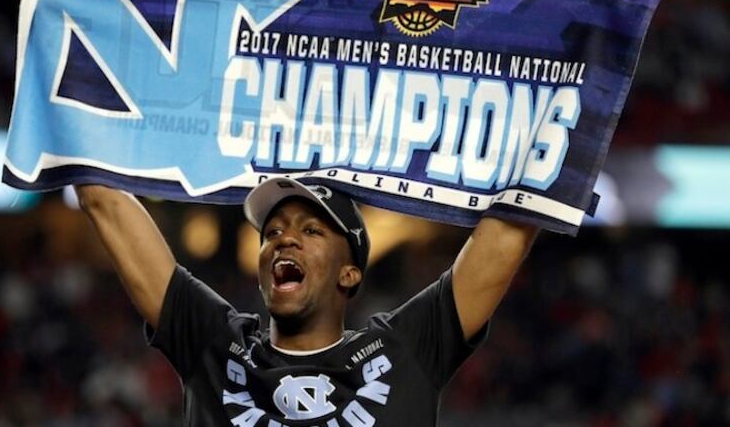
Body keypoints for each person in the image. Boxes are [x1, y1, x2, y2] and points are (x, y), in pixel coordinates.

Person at [75, 177, 538, 426]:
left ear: (349, 272)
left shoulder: (403, 352)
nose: (285, 240)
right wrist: (57, 23)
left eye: (311, 230)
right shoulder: (218, 346)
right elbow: (103, 200)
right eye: (272, 232)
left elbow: (506, 237)